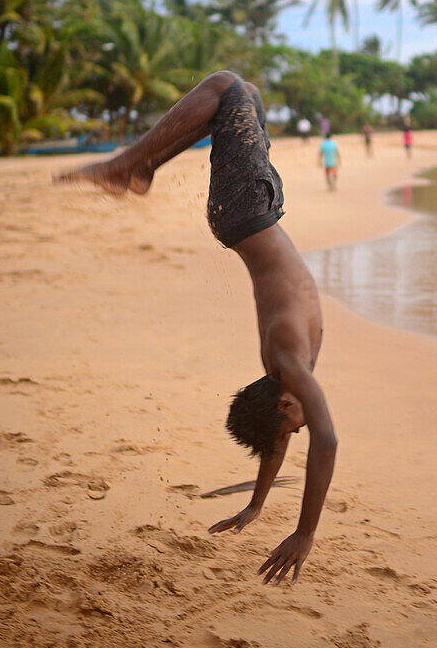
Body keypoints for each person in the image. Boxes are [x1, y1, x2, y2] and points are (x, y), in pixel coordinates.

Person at [56, 71, 337, 585]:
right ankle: (139, 167)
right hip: (257, 211)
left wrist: (305, 533)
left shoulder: (289, 361)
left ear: (281, 401)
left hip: (246, 211)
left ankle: (127, 166)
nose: (301, 427)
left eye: (292, 423)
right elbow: (278, 442)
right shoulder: (285, 373)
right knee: (242, 95)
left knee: (225, 84)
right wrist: (256, 504)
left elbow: (327, 440)